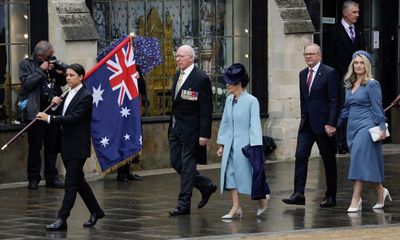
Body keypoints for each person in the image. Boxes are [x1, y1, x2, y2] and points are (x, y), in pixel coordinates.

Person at [36, 64, 105, 231]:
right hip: (65, 144)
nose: (68, 78)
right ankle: (96, 211)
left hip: (77, 146)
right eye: (67, 75)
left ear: (81, 77)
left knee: (70, 183)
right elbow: (62, 113)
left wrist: (49, 118)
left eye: (72, 75)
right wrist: (54, 105)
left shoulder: (86, 96)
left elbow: (74, 118)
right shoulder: (67, 93)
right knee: (78, 181)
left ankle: (62, 218)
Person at [282, 43, 340, 207]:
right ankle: (299, 193)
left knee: (328, 160)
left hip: (324, 125)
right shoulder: (302, 74)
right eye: (306, 54)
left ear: (319, 55)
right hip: (307, 124)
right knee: (300, 156)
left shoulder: (329, 73)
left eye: (312, 54)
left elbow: (334, 101)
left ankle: (331, 196)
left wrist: (331, 123)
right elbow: (304, 99)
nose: (308, 57)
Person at [337, 51, 391, 212]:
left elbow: (377, 107)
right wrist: (334, 124)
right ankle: (381, 191)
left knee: (357, 162)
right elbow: (346, 109)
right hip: (352, 128)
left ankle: (355, 199)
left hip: (366, 127)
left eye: (361, 63)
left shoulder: (372, 84)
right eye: (356, 63)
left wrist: (382, 128)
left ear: (366, 65)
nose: (358, 65)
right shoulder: (349, 84)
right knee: (364, 164)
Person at [168, 45, 217, 216]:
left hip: (191, 131)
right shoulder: (177, 76)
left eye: (181, 56)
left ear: (191, 58)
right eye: (177, 56)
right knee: (176, 162)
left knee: (188, 167)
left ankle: (183, 204)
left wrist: (204, 134)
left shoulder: (200, 78)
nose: (177, 59)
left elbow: (205, 109)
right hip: (175, 129)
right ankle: (206, 185)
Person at [216, 63, 270, 219]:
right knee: (230, 174)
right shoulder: (228, 100)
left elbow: (255, 125)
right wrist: (222, 144)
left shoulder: (252, 101)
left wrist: (255, 148)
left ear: (238, 83)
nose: (226, 85)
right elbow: (225, 122)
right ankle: (235, 207)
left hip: (246, 146)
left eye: (229, 82)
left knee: (252, 174)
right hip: (230, 144)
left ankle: (262, 199)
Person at [18, 40, 66, 189]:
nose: (51, 58)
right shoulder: (26, 64)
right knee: (35, 146)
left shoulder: (51, 63)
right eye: (48, 56)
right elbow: (26, 85)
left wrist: (60, 73)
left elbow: (62, 83)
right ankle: (33, 178)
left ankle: (52, 177)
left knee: (52, 146)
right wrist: (41, 70)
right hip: (36, 112)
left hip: (52, 112)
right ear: (39, 56)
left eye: (51, 55)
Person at [324, 1, 366, 154]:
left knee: (356, 108)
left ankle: (352, 141)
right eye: (354, 12)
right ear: (345, 13)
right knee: (343, 108)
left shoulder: (359, 31)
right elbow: (330, 57)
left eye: (358, 12)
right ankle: (340, 142)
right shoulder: (334, 31)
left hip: (358, 78)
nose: (357, 15)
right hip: (341, 78)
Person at [116, 66, 146, 182]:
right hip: (120, 110)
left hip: (132, 111)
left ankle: (128, 170)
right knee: (122, 141)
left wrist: (137, 78)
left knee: (132, 138)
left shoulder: (136, 67)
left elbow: (142, 88)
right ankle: (121, 172)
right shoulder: (116, 65)